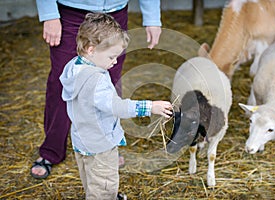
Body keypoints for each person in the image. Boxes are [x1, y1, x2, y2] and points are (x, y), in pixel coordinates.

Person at [31, 0, 162, 179]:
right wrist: (49, 14)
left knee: (111, 82)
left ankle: (106, 149)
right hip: (71, 12)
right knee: (63, 81)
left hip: (115, 12)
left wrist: (152, 17)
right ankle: (51, 150)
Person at [59, 13, 172, 199]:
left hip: (82, 140)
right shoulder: (96, 80)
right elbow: (117, 107)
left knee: (92, 179)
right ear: (91, 49)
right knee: (105, 184)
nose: (115, 61)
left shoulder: (74, 67)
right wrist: (150, 106)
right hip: (100, 143)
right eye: (112, 56)